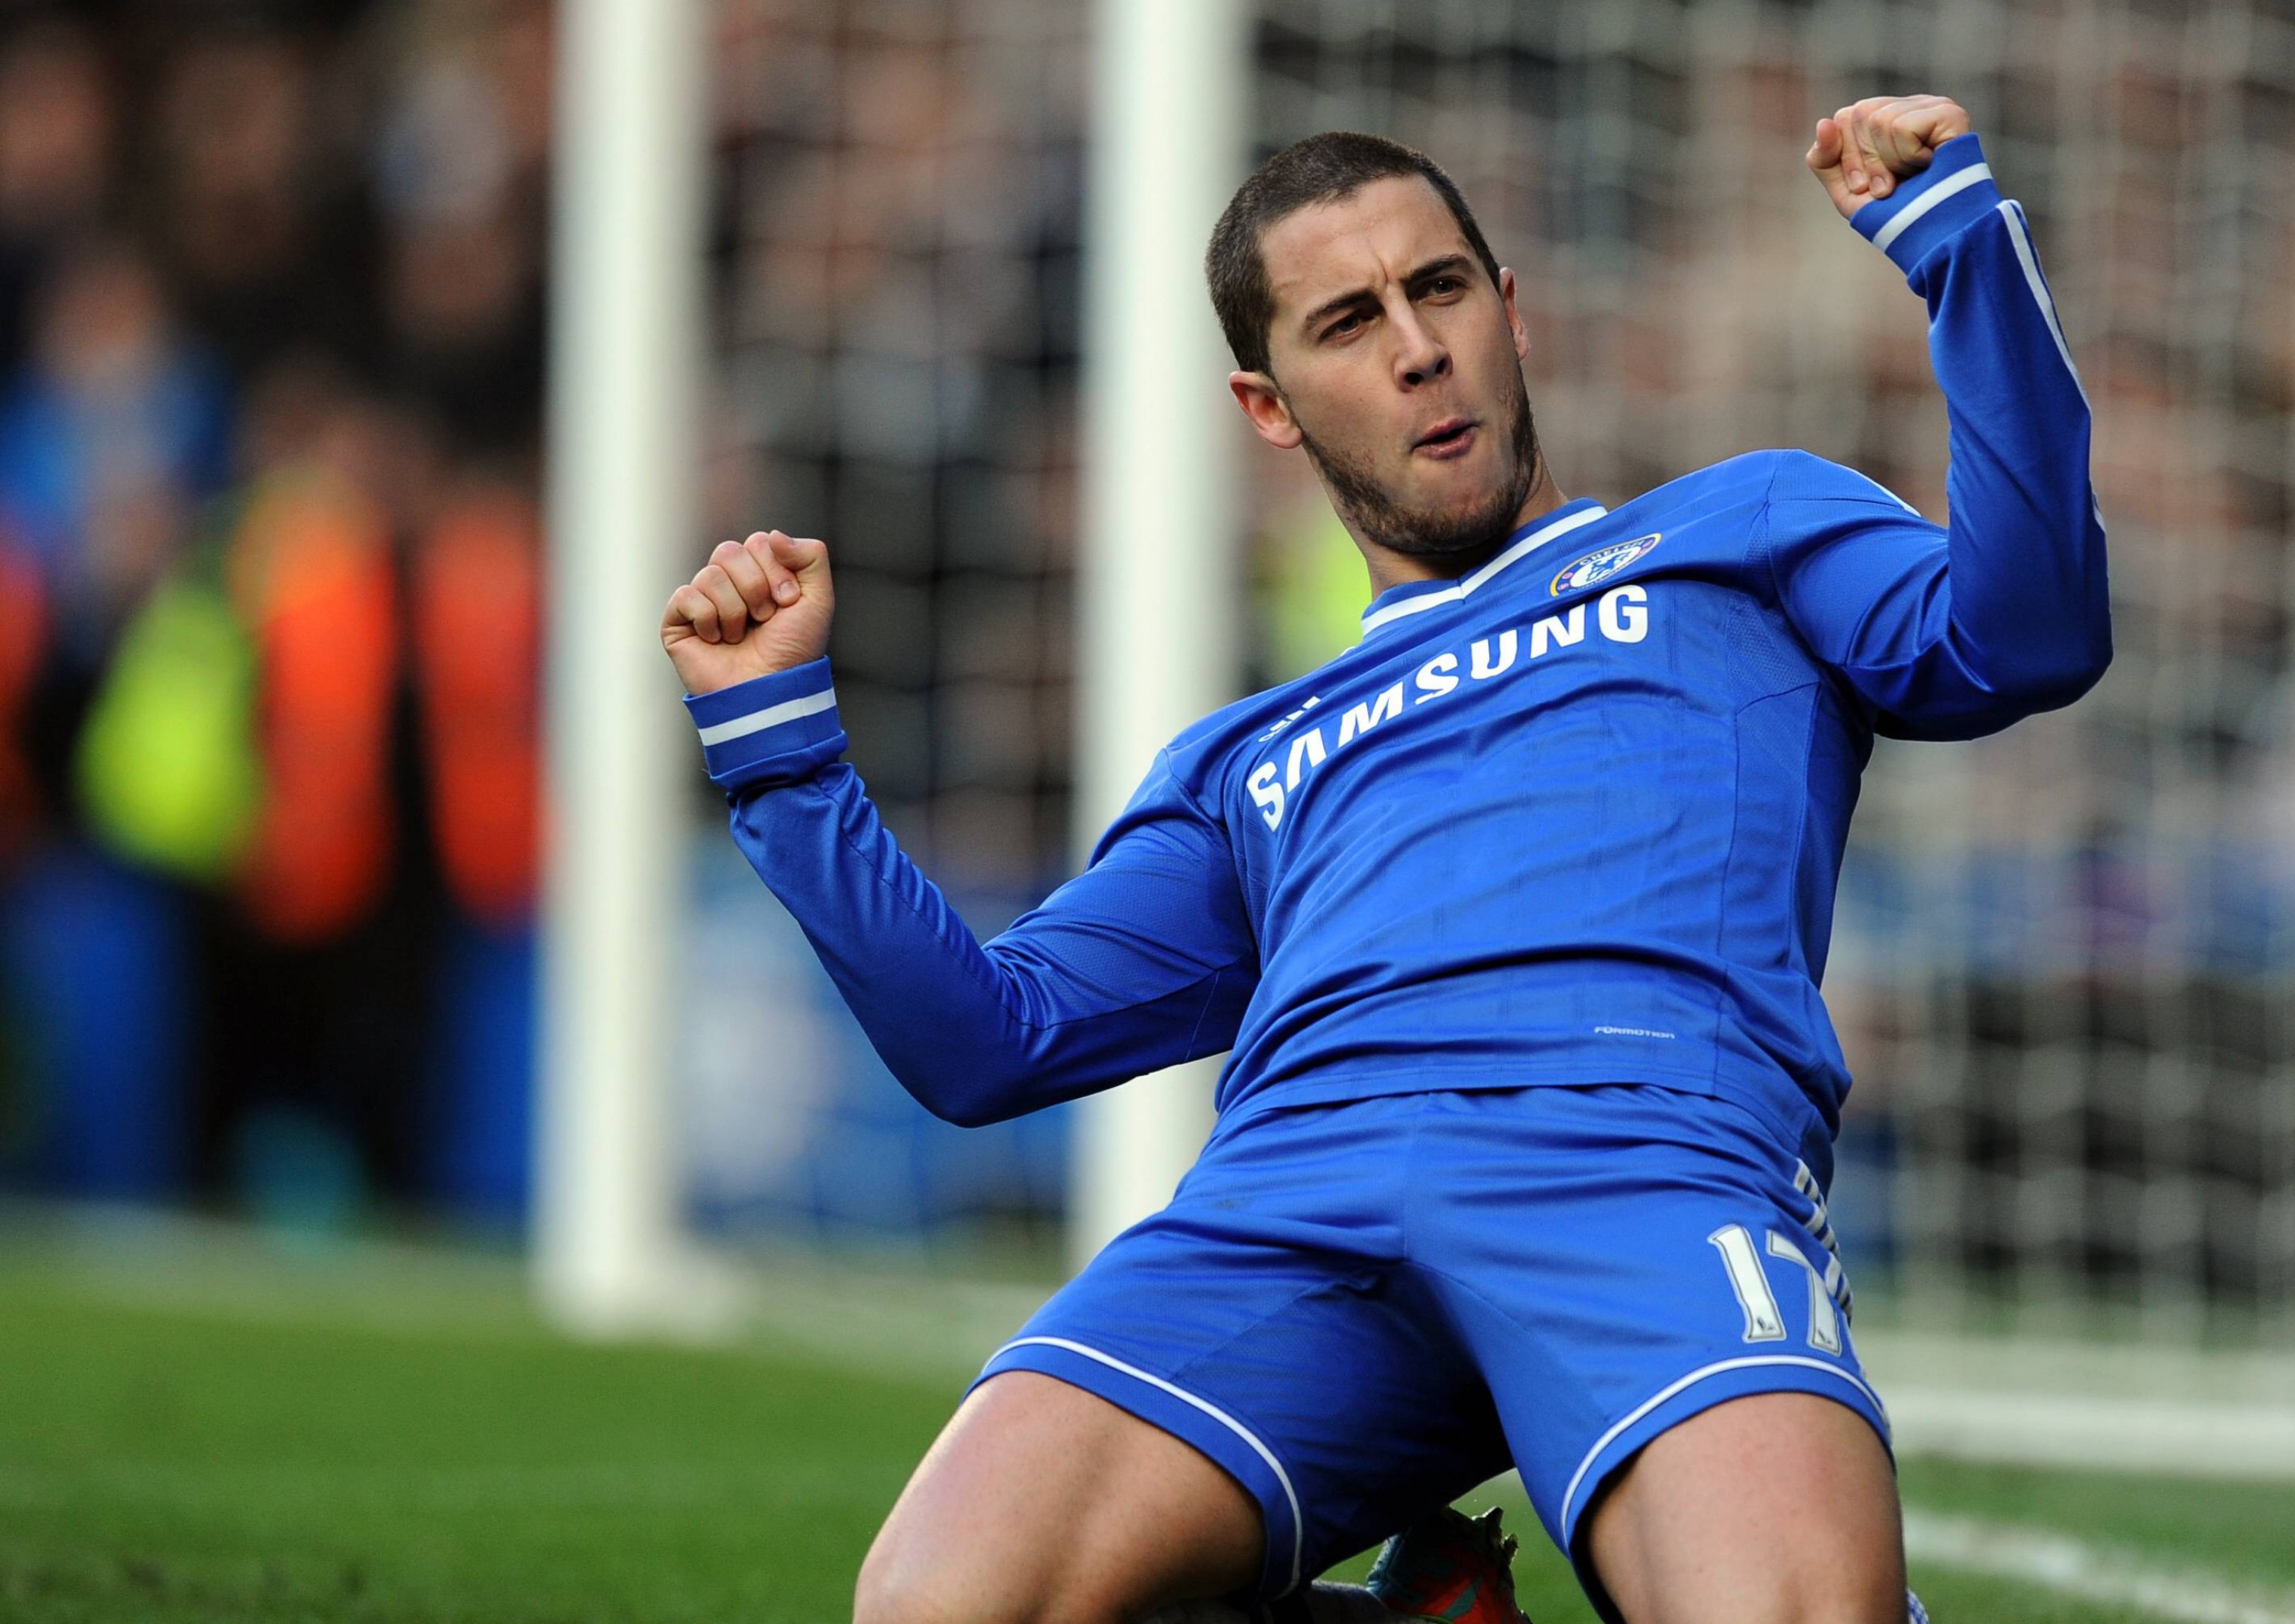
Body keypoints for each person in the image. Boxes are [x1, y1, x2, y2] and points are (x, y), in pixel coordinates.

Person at [664, 95, 2106, 1624]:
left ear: (1511, 312)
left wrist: (1962, 253)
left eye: (1441, 290)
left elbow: (2028, 635)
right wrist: (783, 752)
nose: (1418, 348)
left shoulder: (1741, 526)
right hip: (1291, 1206)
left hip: (1634, 1163)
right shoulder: (1243, 759)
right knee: (939, 1608)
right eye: (1348, 323)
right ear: (1269, 405)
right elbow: (986, 1045)